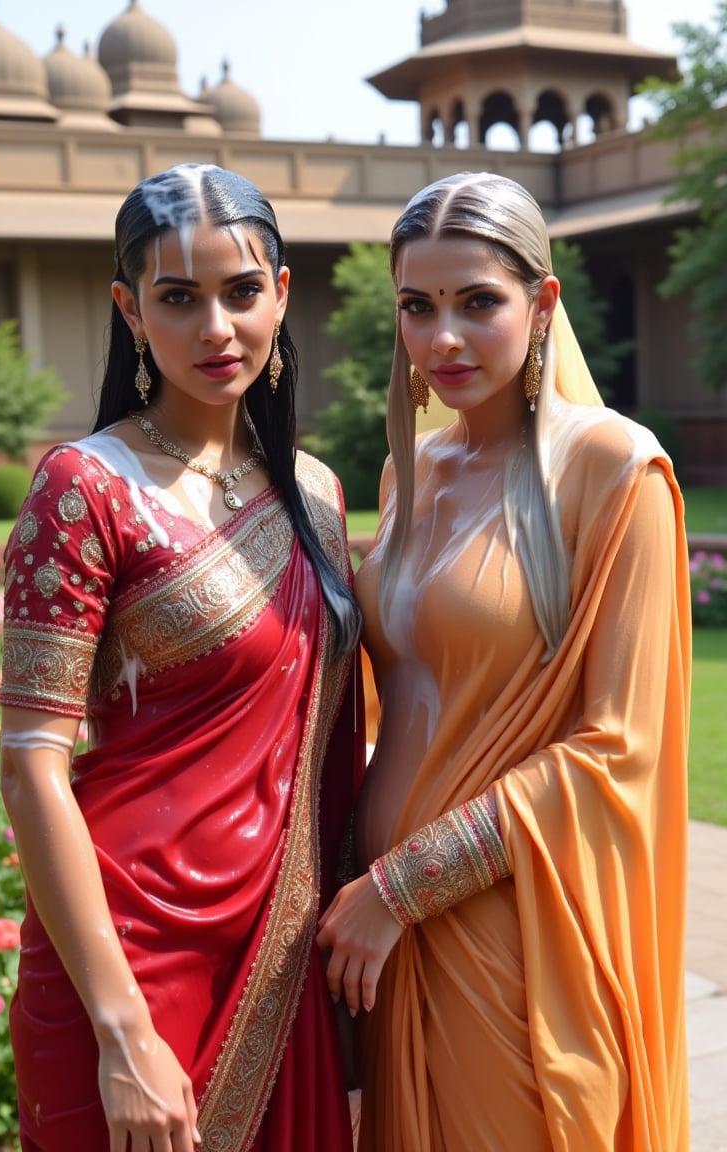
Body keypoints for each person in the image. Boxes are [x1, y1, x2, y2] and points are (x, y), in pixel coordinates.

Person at [317, 171, 691, 1151]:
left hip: (516, 932)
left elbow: (620, 748)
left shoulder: (616, 472)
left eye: (478, 302)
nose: (443, 337)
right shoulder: (411, 472)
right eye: (418, 305)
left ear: (543, 303)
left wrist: (403, 887)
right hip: (384, 942)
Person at [0, 161, 364, 1152]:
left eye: (243, 292)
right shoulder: (83, 491)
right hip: (119, 970)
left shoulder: (318, 498)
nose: (216, 328)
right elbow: (32, 763)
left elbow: (334, 758)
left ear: (281, 293)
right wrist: (122, 1033)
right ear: (129, 309)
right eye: (178, 297)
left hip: (281, 957)